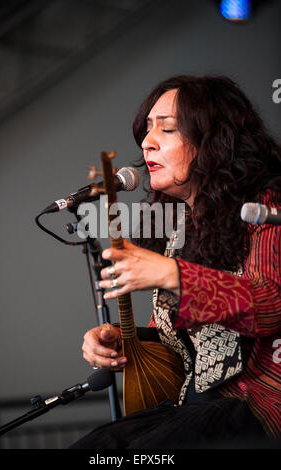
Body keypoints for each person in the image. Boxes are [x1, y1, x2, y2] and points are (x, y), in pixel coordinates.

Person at [71, 75, 281, 449]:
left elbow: (271, 304)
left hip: (260, 408)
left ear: (216, 140)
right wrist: (127, 341)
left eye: (166, 129)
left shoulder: (267, 206)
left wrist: (174, 275)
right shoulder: (179, 227)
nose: (146, 142)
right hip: (197, 407)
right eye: (147, 130)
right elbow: (179, 339)